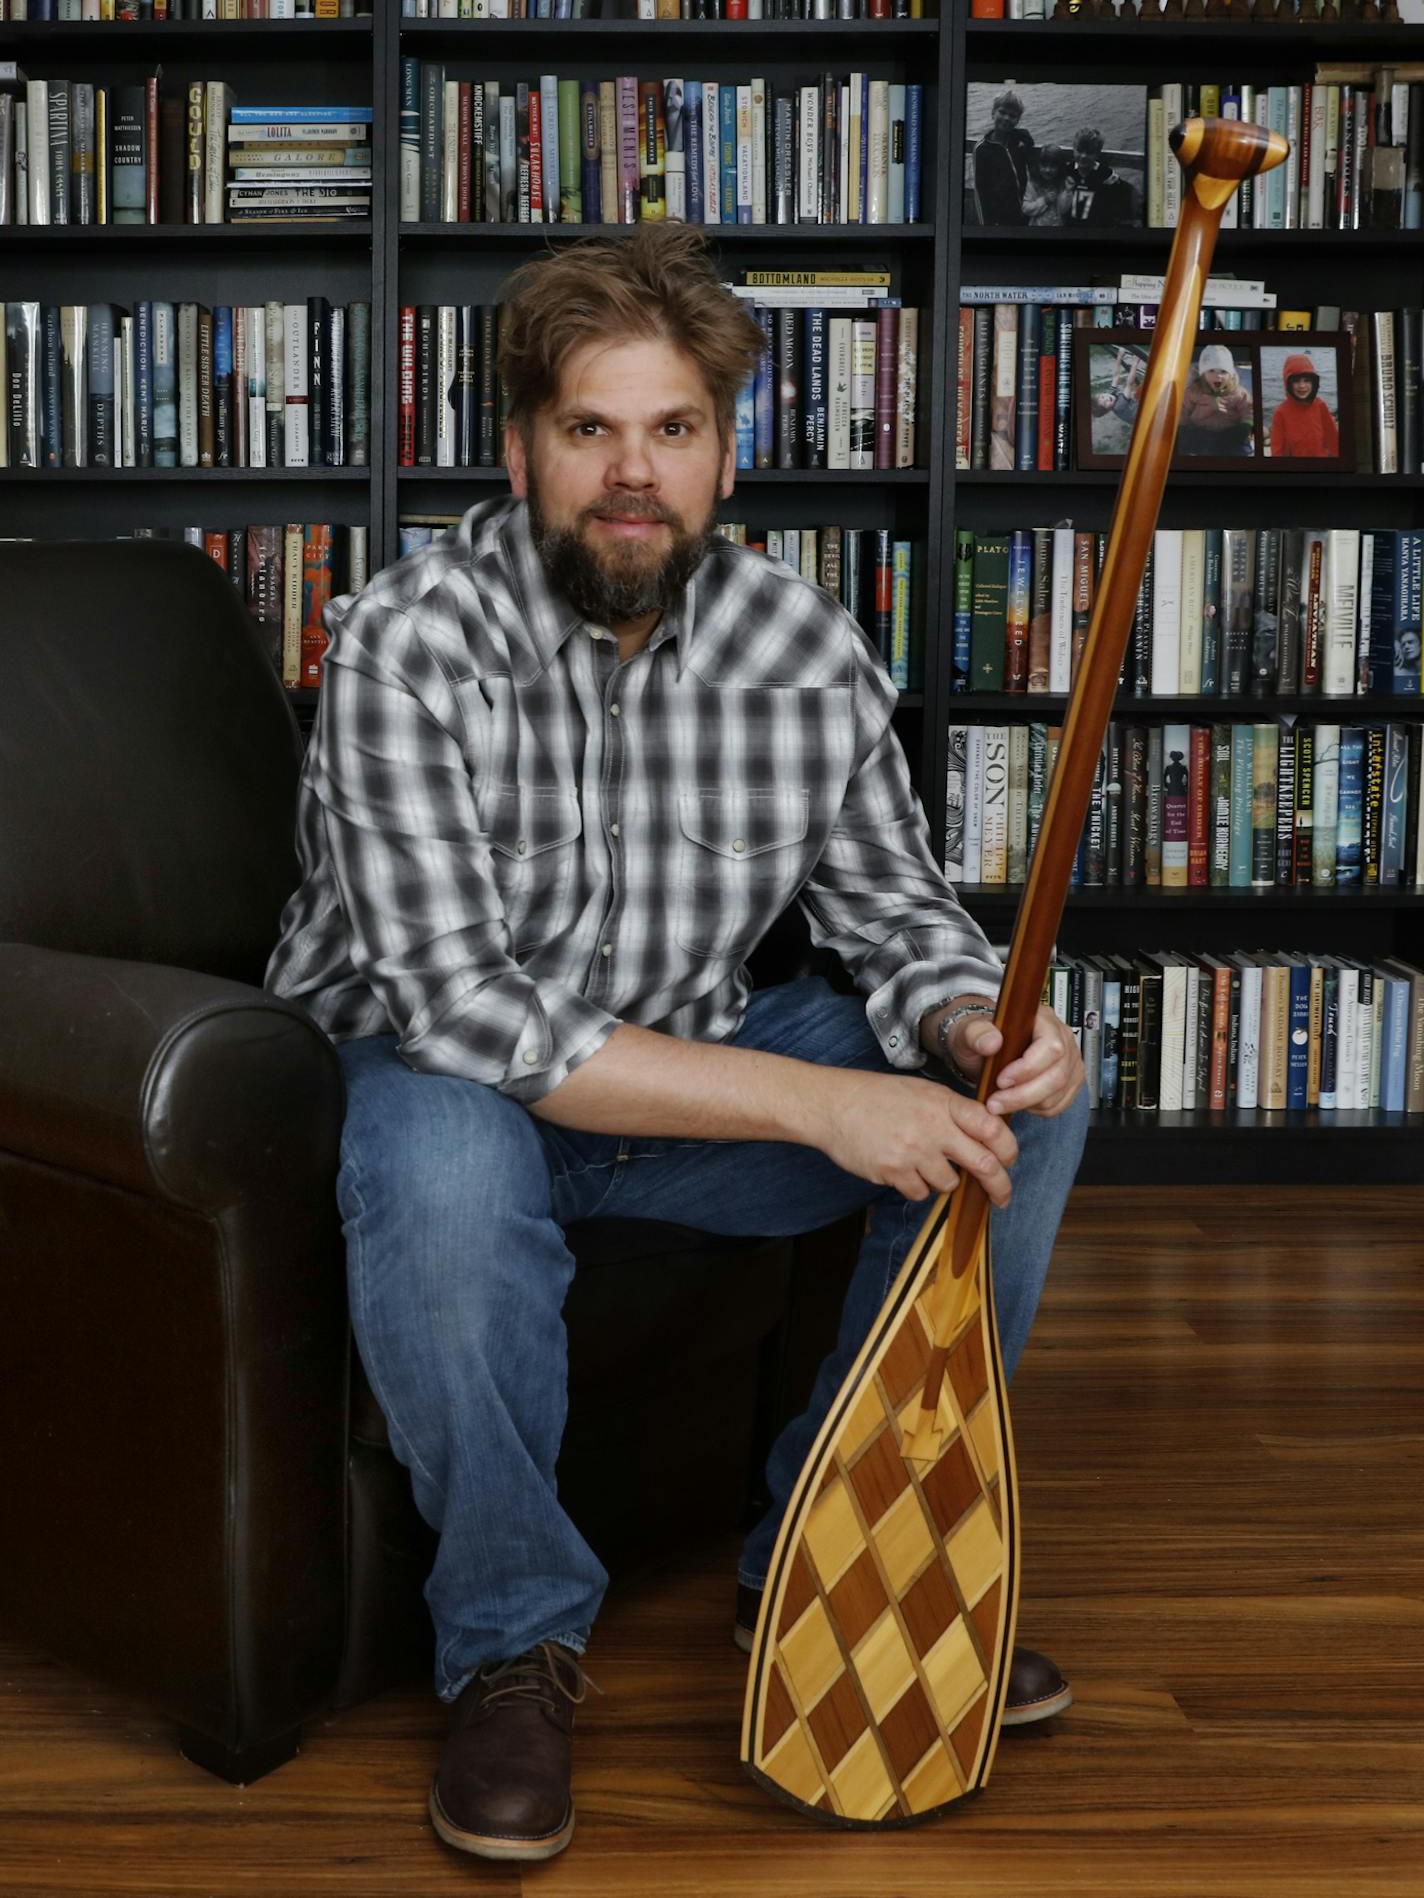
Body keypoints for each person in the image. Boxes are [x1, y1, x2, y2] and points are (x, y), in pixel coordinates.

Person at [265, 226, 1088, 1867]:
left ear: (725, 450)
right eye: (589, 430)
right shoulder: (406, 642)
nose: (630, 476)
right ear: (520, 450)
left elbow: (895, 909)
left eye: (671, 430)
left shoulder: (798, 647)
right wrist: (816, 1103)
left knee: (1029, 1085)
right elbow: (466, 1019)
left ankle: (816, 1555)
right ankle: (510, 1639)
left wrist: (959, 1016)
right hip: (434, 1101)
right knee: (438, 1141)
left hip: (683, 1089)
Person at [1177, 343, 1253, 456]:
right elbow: (1183, 410)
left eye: (1223, 371)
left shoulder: (1238, 393)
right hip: (1201, 433)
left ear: (1230, 374)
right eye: (1211, 370)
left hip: (1230, 433)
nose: (1218, 376)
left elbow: (1249, 410)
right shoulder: (1194, 391)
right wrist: (1182, 428)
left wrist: (1245, 426)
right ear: (1203, 374)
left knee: (1241, 449)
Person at [972, 90, 1036, 224]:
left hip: (1023, 212)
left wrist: (1025, 139)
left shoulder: (1020, 138)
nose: (1007, 118)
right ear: (993, 113)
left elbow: (1029, 144)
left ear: (1017, 120)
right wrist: (986, 225)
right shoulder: (982, 149)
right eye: (1002, 112)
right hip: (999, 219)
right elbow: (979, 190)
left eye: (1012, 115)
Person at [1268, 352, 1341, 459]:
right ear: (1288, 383)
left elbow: (1334, 441)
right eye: (1296, 381)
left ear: (1314, 383)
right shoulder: (1280, 413)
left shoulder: (1321, 406)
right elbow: (1277, 451)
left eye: (1307, 380)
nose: (1302, 386)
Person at [1066, 127, 1139, 224]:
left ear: (1097, 154)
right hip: (1072, 226)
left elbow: (1130, 191)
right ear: (1073, 149)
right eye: (1079, 151)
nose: (1083, 156)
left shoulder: (1105, 174)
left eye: (1089, 152)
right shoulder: (1068, 170)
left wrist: (1132, 218)